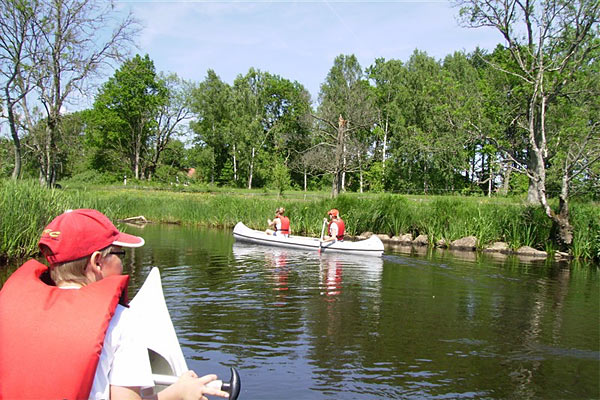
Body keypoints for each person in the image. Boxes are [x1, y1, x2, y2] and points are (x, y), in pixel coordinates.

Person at [0, 209, 230, 400]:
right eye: (120, 254)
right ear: (97, 261)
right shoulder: (120, 321)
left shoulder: (10, 310)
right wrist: (180, 393)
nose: (124, 263)